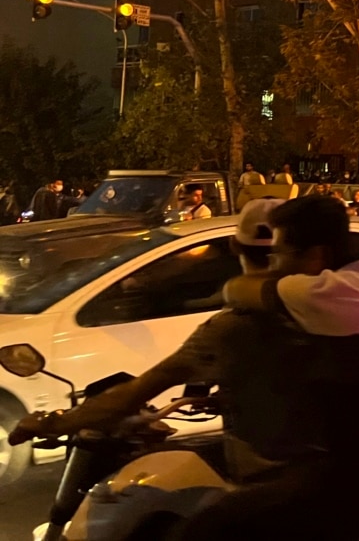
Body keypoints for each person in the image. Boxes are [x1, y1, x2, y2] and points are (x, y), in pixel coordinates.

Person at [6, 200, 331, 505]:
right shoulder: (331, 314)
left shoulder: (233, 328)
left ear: (234, 247)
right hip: (325, 473)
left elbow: (133, 394)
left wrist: (55, 423)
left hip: (274, 485)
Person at [209, 196, 359, 539]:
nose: (276, 264)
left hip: (358, 492)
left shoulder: (315, 292)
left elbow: (236, 289)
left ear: (316, 256)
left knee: (211, 524)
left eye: (281, 254)